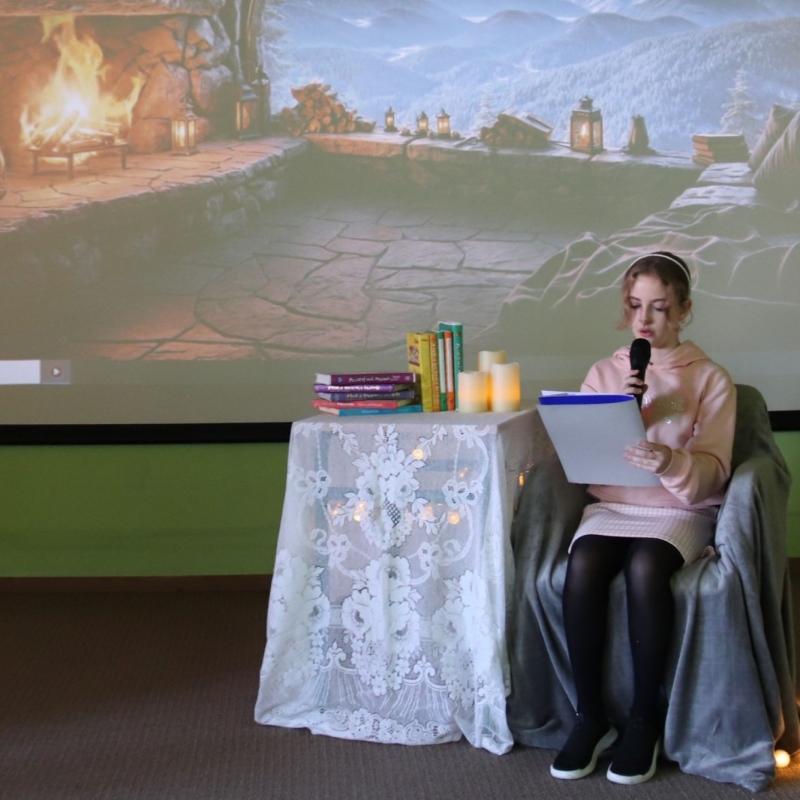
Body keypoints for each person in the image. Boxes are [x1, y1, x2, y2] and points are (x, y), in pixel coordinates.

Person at [549, 251, 736, 785]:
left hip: (678, 508)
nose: (645, 320)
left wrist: (669, 460)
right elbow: (584, 455)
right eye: (635, 306)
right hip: (614, 505)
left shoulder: (710, 378)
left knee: (647, 566)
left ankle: (643, 721)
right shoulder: (605, 372)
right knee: (584, 561)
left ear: (684, 310)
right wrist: (617, 416)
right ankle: (590, 717)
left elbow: (716, 469)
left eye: (659, 307)